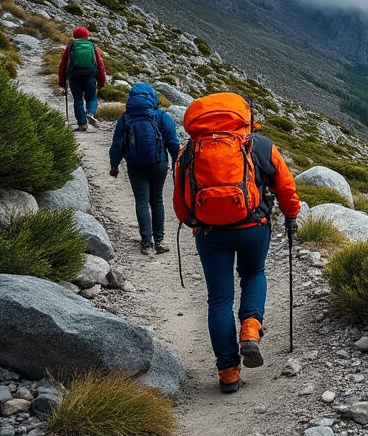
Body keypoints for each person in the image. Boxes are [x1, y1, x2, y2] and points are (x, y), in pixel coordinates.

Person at [172, 93, 300, 394]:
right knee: (253, 273)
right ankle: (251, 329)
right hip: (252, 227)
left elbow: (180, 202)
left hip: (210, 233)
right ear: (243, 116)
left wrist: (196, 222)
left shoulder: (189, 150)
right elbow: (285, 185)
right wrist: (291, 215)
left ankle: (228, 373)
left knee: (219, 299)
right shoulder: (260, 145)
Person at [110, 83, 181, 256]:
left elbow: (117, 145)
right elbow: (173, 143)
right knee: (157, 200)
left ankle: (146, 242)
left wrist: (114, 164)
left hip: (136, 165)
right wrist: (177, 164)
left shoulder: (125, 118)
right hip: (159, 165)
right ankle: (159, 241)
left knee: (141, 201)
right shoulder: (162, 117)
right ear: (153, 98)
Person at [57, 26, 107, 131]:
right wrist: (102, 81)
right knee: (91, 98)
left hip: (74, 76)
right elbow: (100, 64)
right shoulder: (92, 46)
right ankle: (90, 113)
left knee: (78, 100)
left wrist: (62, 81)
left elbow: (63, 64)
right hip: (90, 76)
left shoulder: (71, 46)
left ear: (75, 36)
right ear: (87, 35)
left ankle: (82, 124)